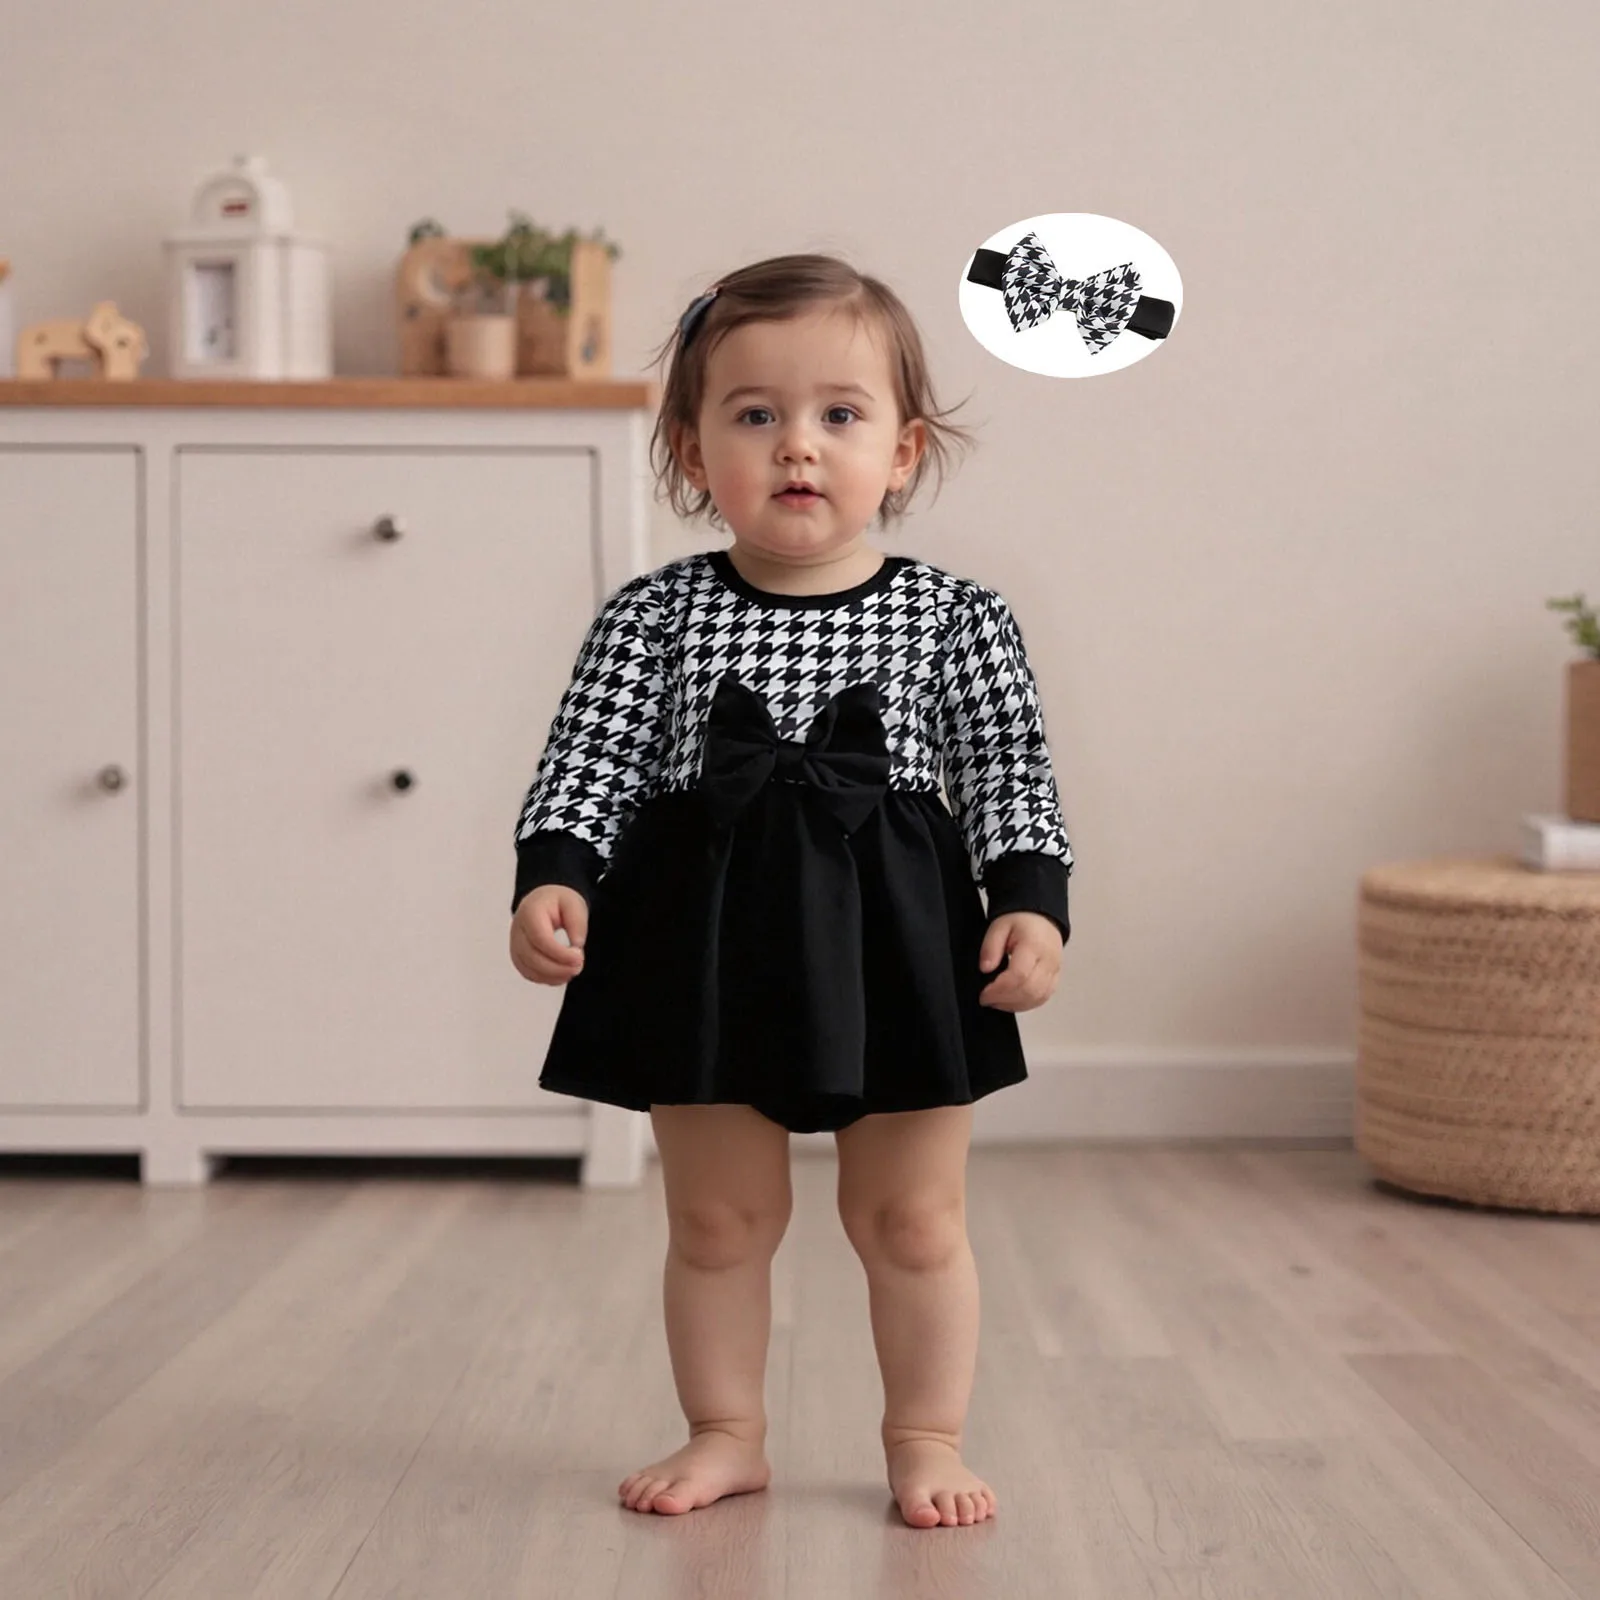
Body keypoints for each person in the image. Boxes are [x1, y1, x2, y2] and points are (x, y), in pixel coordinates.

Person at [507, 253, 1074, 1530]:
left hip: (900, 946)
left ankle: (924, 1434)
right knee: (717, 1218)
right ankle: (726, 1429)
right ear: (692, 449)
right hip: (701, 941)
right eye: (755, 413)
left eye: (839, 413)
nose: (796, 445)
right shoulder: (651, 617)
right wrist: (556, 873)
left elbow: (1009, 767)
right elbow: (586, 757)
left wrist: (1029, 897)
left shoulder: (955, 618)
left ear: (902, 449)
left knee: (912, 1217)